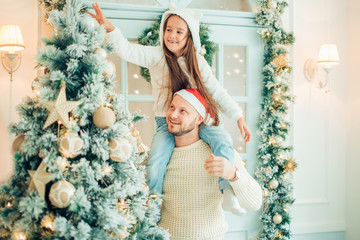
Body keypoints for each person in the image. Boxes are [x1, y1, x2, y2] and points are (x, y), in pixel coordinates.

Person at [88, 3, 251, 214]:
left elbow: (217, 91)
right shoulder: (157, 56)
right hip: (166, 123)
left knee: (223, 140)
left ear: (189, 36)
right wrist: (109, 28)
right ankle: (153, 205)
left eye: (179, 31)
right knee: (156, 161)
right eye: (168, 29)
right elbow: (128, 50)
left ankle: (228, 192)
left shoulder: (198, 63)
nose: (172, 35)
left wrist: (238, 117)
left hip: (197, 121)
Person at [158, 89, 262, 240]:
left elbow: (255, 202)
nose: (173, 115)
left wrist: (234, 175)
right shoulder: (159, 155)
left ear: (199, 119)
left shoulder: (220, 153)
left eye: (183, 111)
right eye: (172, 107)